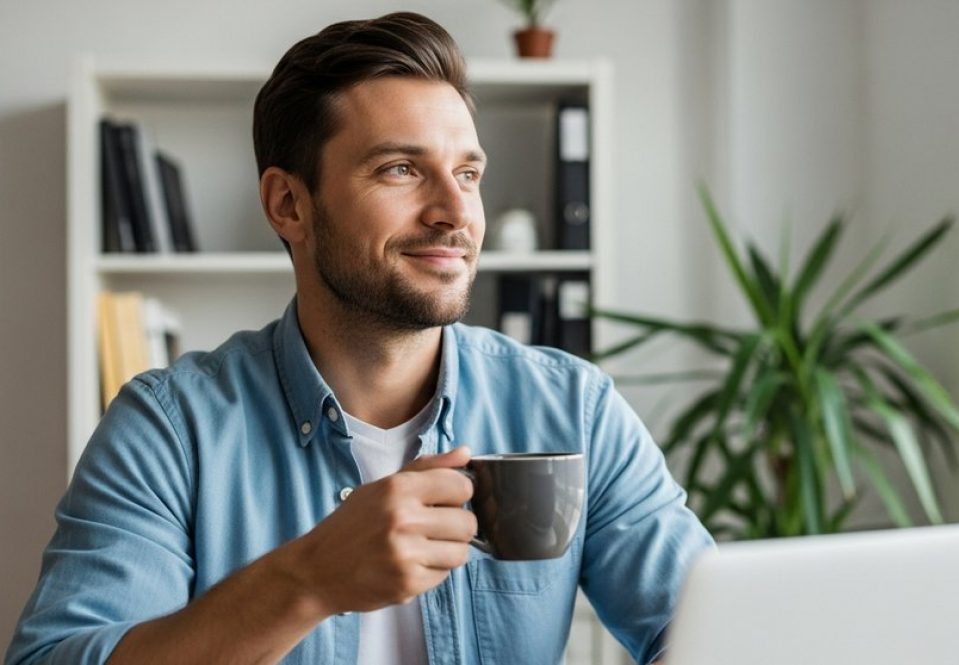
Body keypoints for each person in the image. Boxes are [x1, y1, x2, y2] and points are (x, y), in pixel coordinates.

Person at [5, 12, 713, 665]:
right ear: (289, 204)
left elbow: (710, 634)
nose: (454, 213)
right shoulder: (169, 427)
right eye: (401, 169)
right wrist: (306, 580)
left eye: (467, 173)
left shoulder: (572, 408)